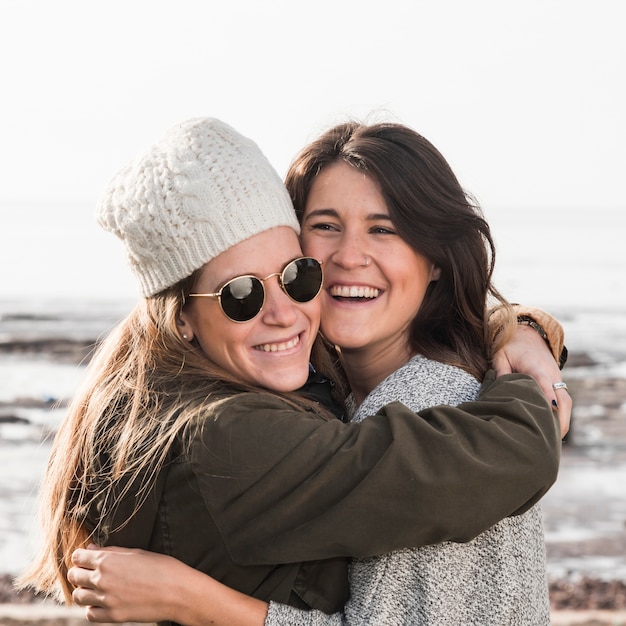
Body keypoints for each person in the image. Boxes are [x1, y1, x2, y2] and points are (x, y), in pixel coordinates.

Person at [19, 117, 565, 623]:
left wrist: (523, 329)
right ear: (181, 314)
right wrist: (528, 386)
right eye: (240, 294)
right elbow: (517, 448)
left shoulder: (424, 398)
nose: (348, 258)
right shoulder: (237, 428)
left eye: (294, 275)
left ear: (438, 258)